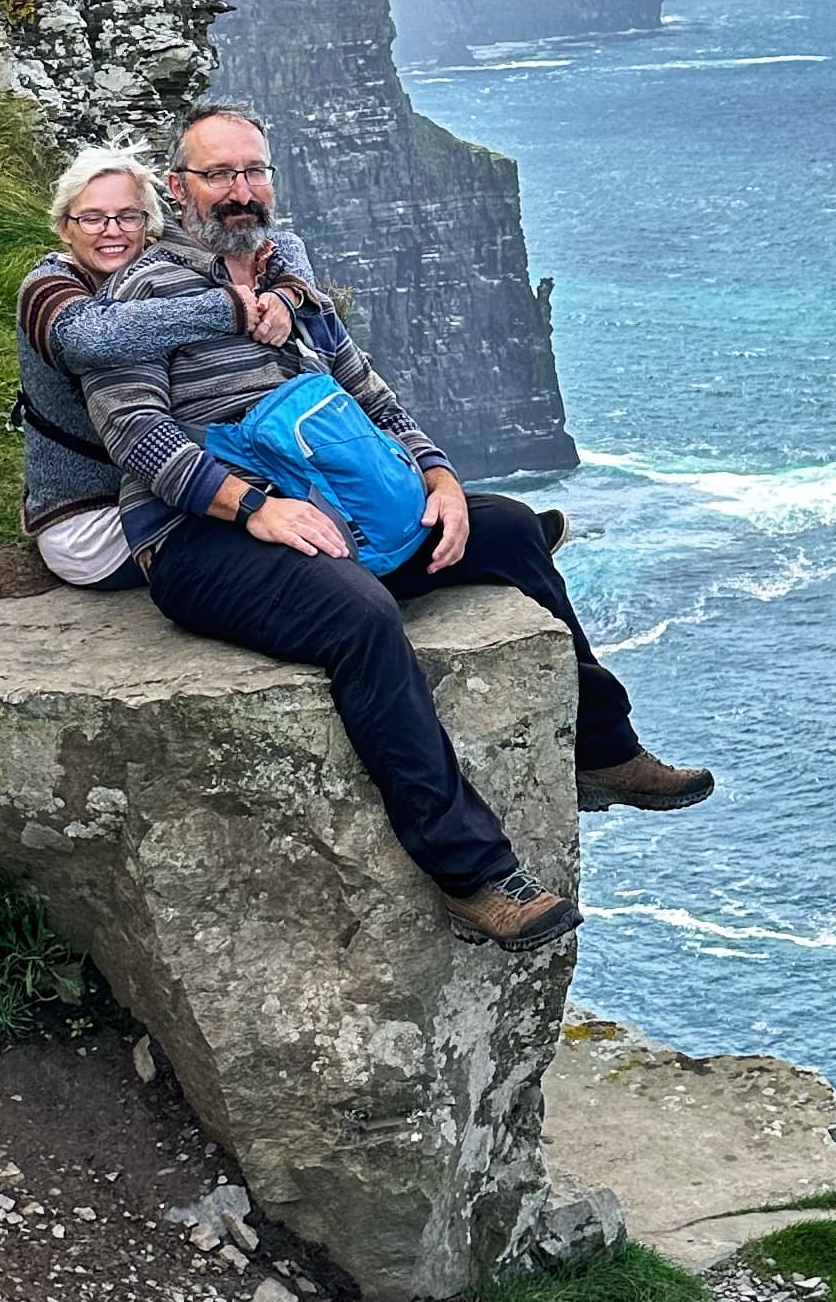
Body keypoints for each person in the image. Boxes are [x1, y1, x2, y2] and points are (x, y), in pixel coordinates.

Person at [73, 103, 714, 952]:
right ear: (179, 188)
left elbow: (368, 394)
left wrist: (441, 478)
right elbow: (136, 435)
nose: (239, 190)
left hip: (336, 509)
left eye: (253, 171)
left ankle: (602, 748)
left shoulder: (285, 280)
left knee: (510, 528)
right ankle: (474, 877)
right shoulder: (143, 295)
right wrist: (252, 507)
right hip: (197, 538)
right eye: (218, 174)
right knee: (359, 615)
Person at [13, 145, 312, 589]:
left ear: (148, 223)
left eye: (128, 216)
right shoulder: (46, 289)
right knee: (293, 536)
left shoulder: (147, 270)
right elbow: (89, 338)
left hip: (162, 485)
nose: (111, 231)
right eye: (92, 218)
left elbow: (281, 244)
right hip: (93, 520)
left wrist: (288, 294)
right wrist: (224, 309)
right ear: (64, 227)